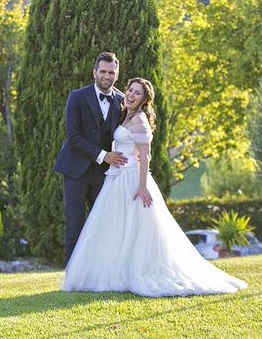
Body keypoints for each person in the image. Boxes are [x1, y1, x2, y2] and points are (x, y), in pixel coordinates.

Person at [62, 78, 247, 297]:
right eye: (129, 90)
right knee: (116, 229)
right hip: (116, 178)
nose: (130, 95)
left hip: (131, 179)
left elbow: (146, 156)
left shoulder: (140, 119)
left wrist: (142, 187)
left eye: (137, 93)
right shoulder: (126, 113)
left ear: (144, 99)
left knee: (135, 229)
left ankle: (135, 272)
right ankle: (113, 273)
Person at [54, 52, 128, 264]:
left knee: (102, 226)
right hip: (75, 170)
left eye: (111, 72)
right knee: (74, 225)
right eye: (102, 71)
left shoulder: (122, 100)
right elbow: (73, 135)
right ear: (94, 72)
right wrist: (105, 156)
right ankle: (72, 276)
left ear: (117, 74)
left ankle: (98, 273)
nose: (106, 76)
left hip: (104, 175)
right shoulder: (77, 96)